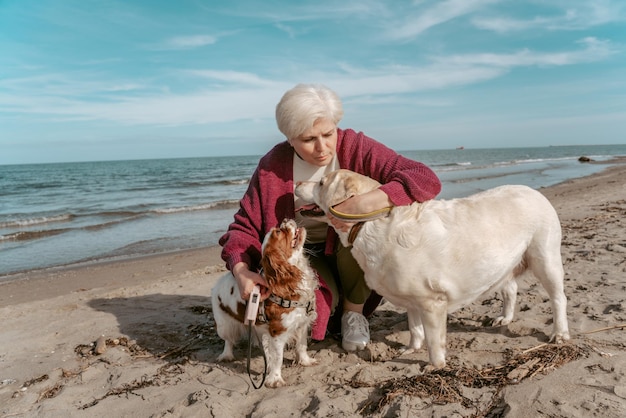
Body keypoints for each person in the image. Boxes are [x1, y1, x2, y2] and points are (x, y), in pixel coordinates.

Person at [219, 84, 441, 351]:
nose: (322, 148)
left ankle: (354, 313)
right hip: (304, 255)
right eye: (308, 139)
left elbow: (424, 178)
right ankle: (337, 302)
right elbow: (244, 227)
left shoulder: (356, 147)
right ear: (289, 138)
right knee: (318, 315)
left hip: (351, 253)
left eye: (328, 133)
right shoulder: (272, 166)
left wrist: (364, 202)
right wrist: (241, 270)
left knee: (357, 232)